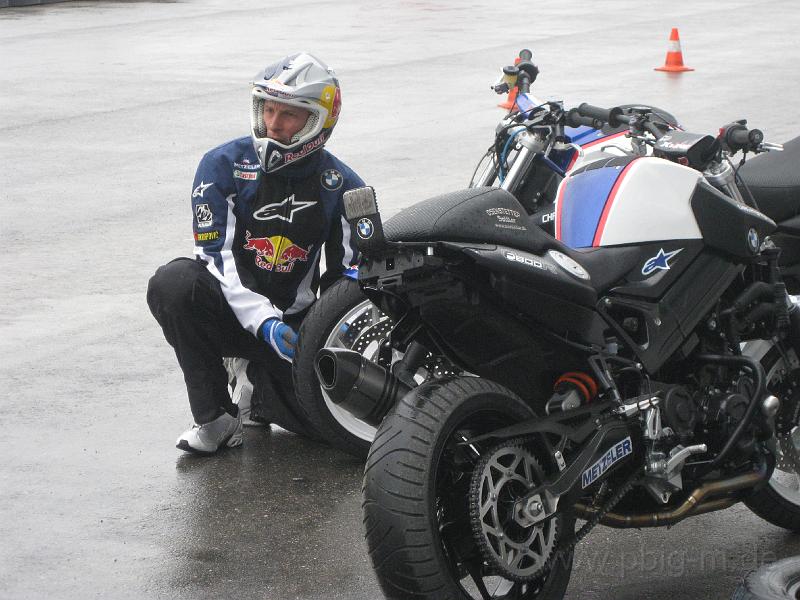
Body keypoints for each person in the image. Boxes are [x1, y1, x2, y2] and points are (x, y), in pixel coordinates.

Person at [147, 53, 364, 455]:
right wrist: (263, 323)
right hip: (232, 314)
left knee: (342, 436)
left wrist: (327, 340)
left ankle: (258, 387)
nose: (274, 124)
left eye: (289, 114)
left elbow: (349, 282)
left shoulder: (345, 186)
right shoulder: (221, 165)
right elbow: (215, 257)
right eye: (268, 109)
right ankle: (215, 418)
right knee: (173, 284)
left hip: (296, 329)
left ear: (318, 121)